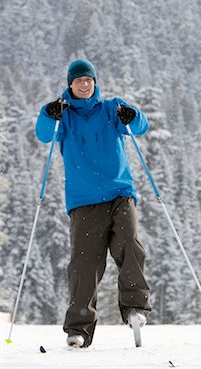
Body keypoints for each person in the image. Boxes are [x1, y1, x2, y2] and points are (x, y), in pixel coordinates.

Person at [35, 59, 151, 348]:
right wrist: (49, 115)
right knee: (84, 264)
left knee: (129, 244)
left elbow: (140, 126)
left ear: (94, 83)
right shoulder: (63, 115)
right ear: (70, 84)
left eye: (89, 80)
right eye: (79, 81)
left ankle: (135, 307)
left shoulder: (111, 107)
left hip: (119, 192)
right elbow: (43, 134)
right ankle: (79, 328)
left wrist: (131, 114)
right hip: (84, 200)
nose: (85, 85)